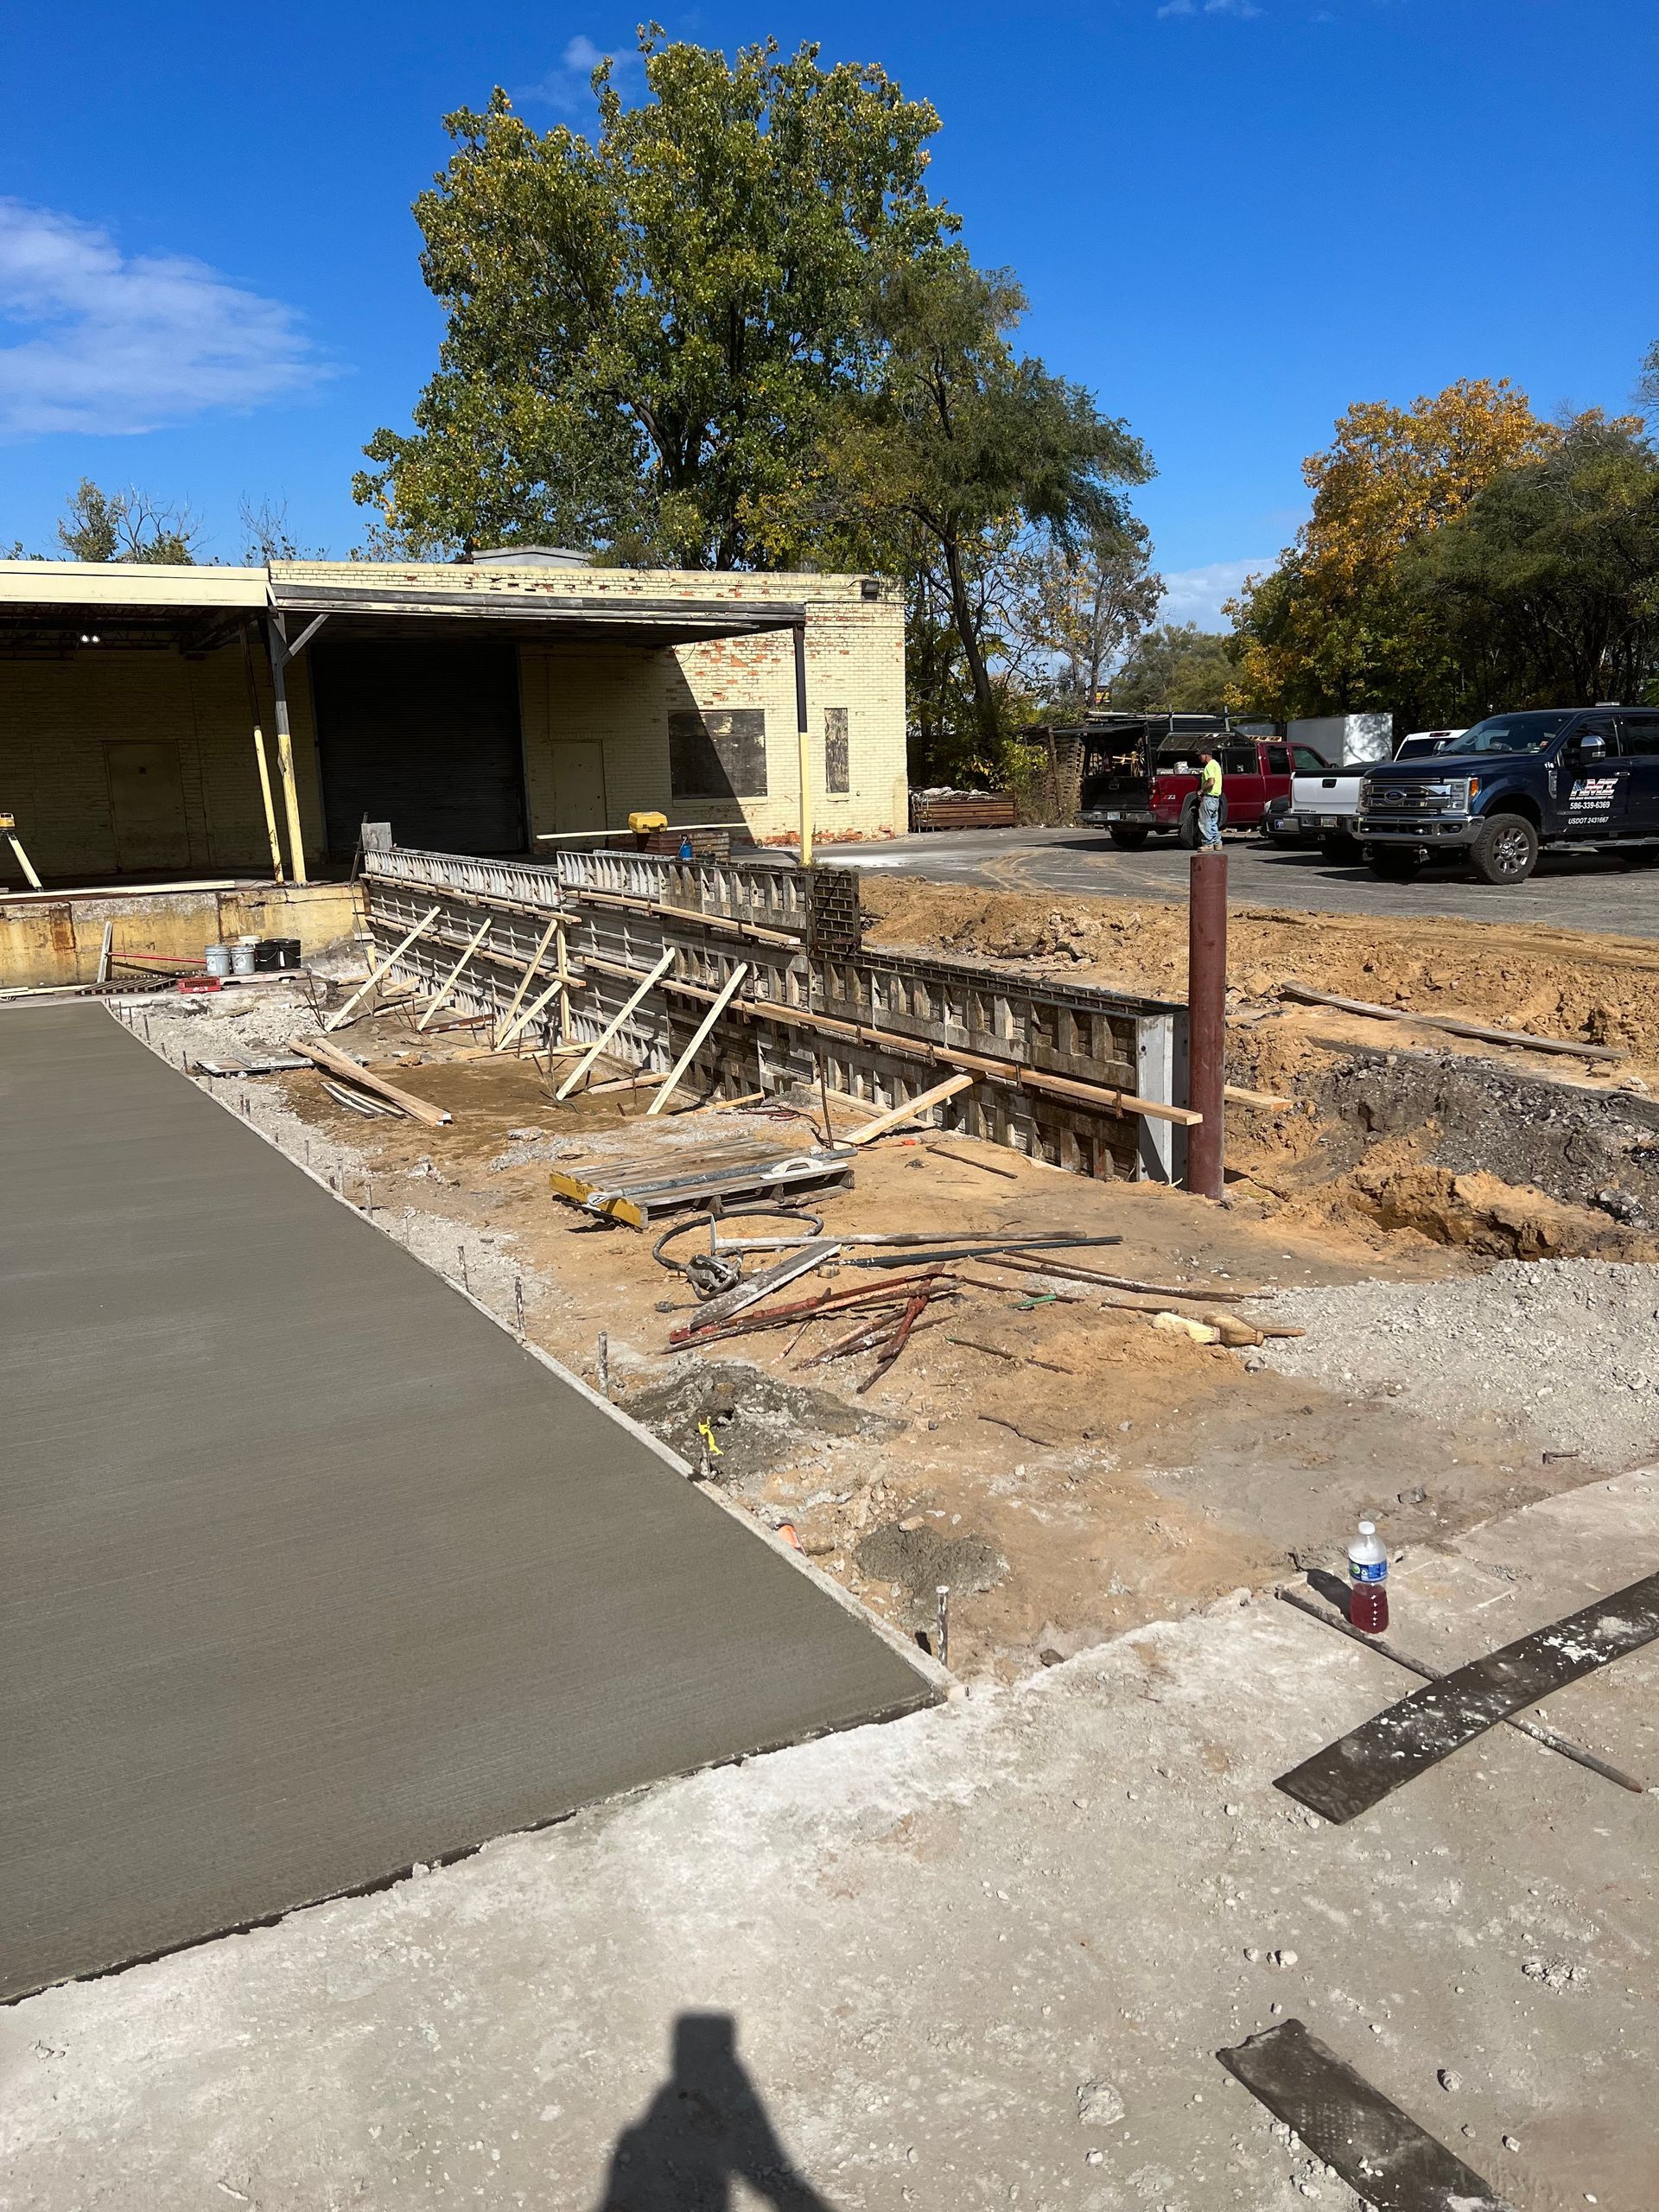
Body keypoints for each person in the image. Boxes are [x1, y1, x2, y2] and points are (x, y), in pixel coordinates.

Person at [1196, 747, 1224, 850]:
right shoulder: (1216, 764)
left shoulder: (1209, 766)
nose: (1199, 758)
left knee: (1205, 822)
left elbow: (1211, 782)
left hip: (1209, 798)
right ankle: (1217, 843)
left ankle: (1208, 844)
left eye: (1200, 755)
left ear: (1206, 755)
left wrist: (1201, 790)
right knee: (1213, 822)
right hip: (1216, 798)